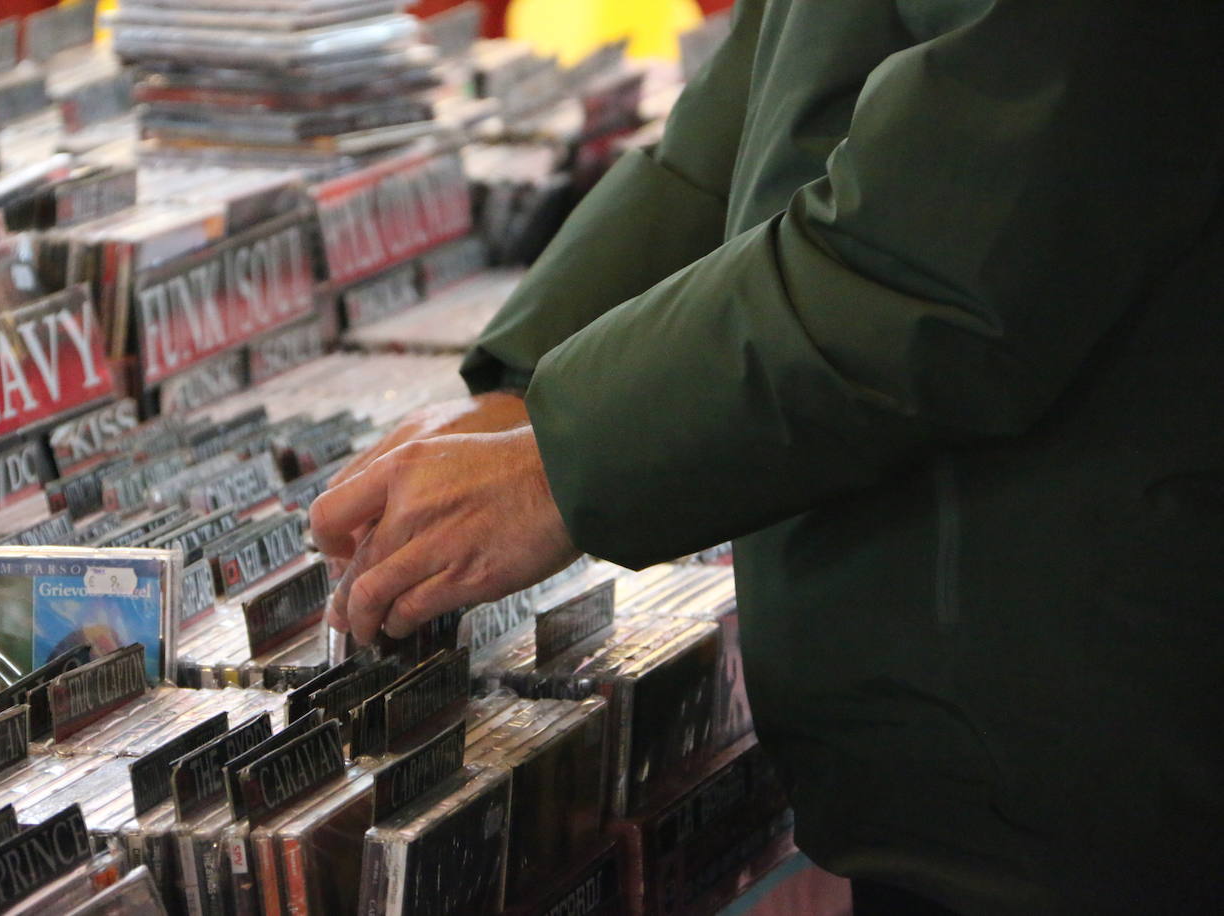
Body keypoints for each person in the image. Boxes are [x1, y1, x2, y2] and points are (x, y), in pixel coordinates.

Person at [310, 1, 1224, 912]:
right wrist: (522, 385)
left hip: (1090, 747)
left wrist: (562, 459)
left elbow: (941, 260)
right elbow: (766, 104)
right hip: (986, 736)